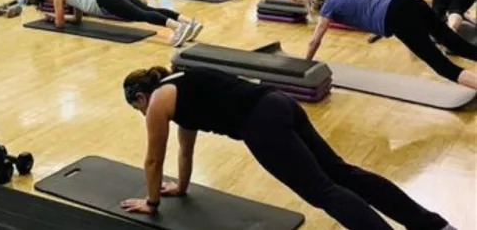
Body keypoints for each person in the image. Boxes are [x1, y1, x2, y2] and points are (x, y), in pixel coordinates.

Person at [119, 66, 456, 230]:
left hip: (260, 123)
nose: (142, 114)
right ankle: (433, 226)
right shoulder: (180, 84)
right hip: (278, 102)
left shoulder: (158, 102)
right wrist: (181, 185)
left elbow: (152, 159)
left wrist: (151, 202)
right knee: (343, 174)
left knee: (323, 191)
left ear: (140, 97)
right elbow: (184, 150)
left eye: (137, 108)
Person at [296, 0, 477, 90]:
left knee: (442, 67)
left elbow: (315, 40)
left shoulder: (328, 7)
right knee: (455, 43)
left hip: (396, 16)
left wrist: (306, 63)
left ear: (317, 5)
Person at [30, 0, 202, 47]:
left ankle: (177, 28)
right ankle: (187, 22)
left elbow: (59, 24)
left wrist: (50, 16)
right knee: (147, 9)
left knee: (140, 15)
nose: (48, 2)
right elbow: (76, 19)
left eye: (45, 0)